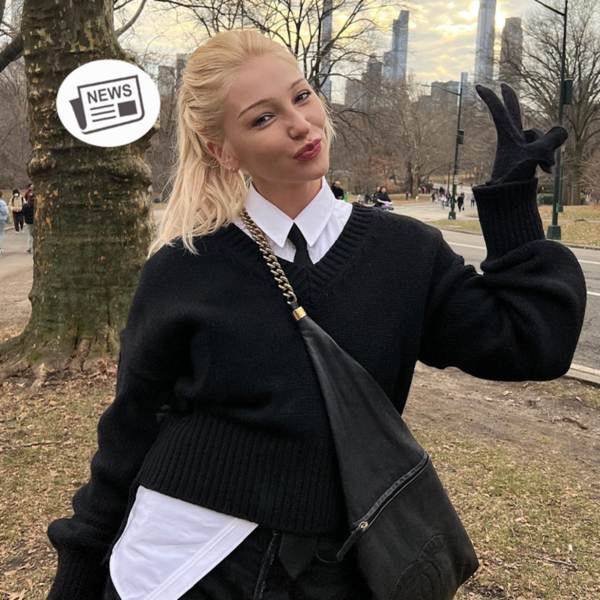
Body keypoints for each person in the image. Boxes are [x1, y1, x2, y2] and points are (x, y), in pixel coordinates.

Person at [44, 33, 586, 600]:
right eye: (263, 118)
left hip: (337, 569)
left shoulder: (406, 253)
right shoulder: (184, 267)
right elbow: (131, 428)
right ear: (223, 152)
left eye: (302, 96)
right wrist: (77, 570)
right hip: (185, 562)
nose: (301, 124)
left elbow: (533, 344)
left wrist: (512, 199)